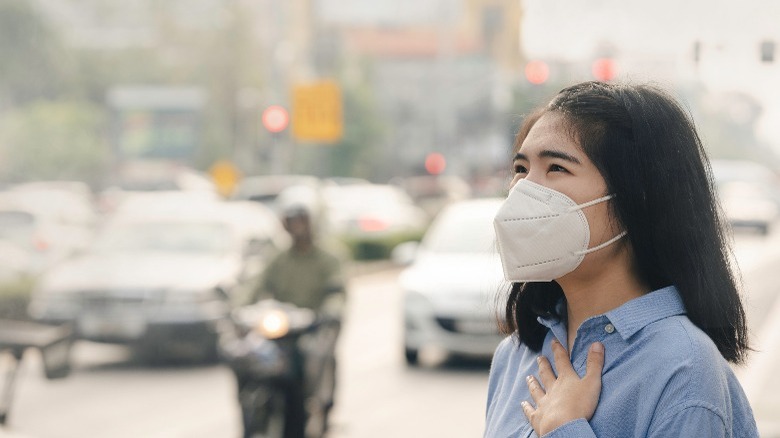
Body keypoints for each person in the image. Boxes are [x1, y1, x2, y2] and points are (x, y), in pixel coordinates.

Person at [484, 81, 758, 437]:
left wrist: (565, 429)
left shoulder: (684, 370)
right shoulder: (515, 356)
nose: (524, 189)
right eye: (521, 169)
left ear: (636, 199)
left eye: (555, 168)